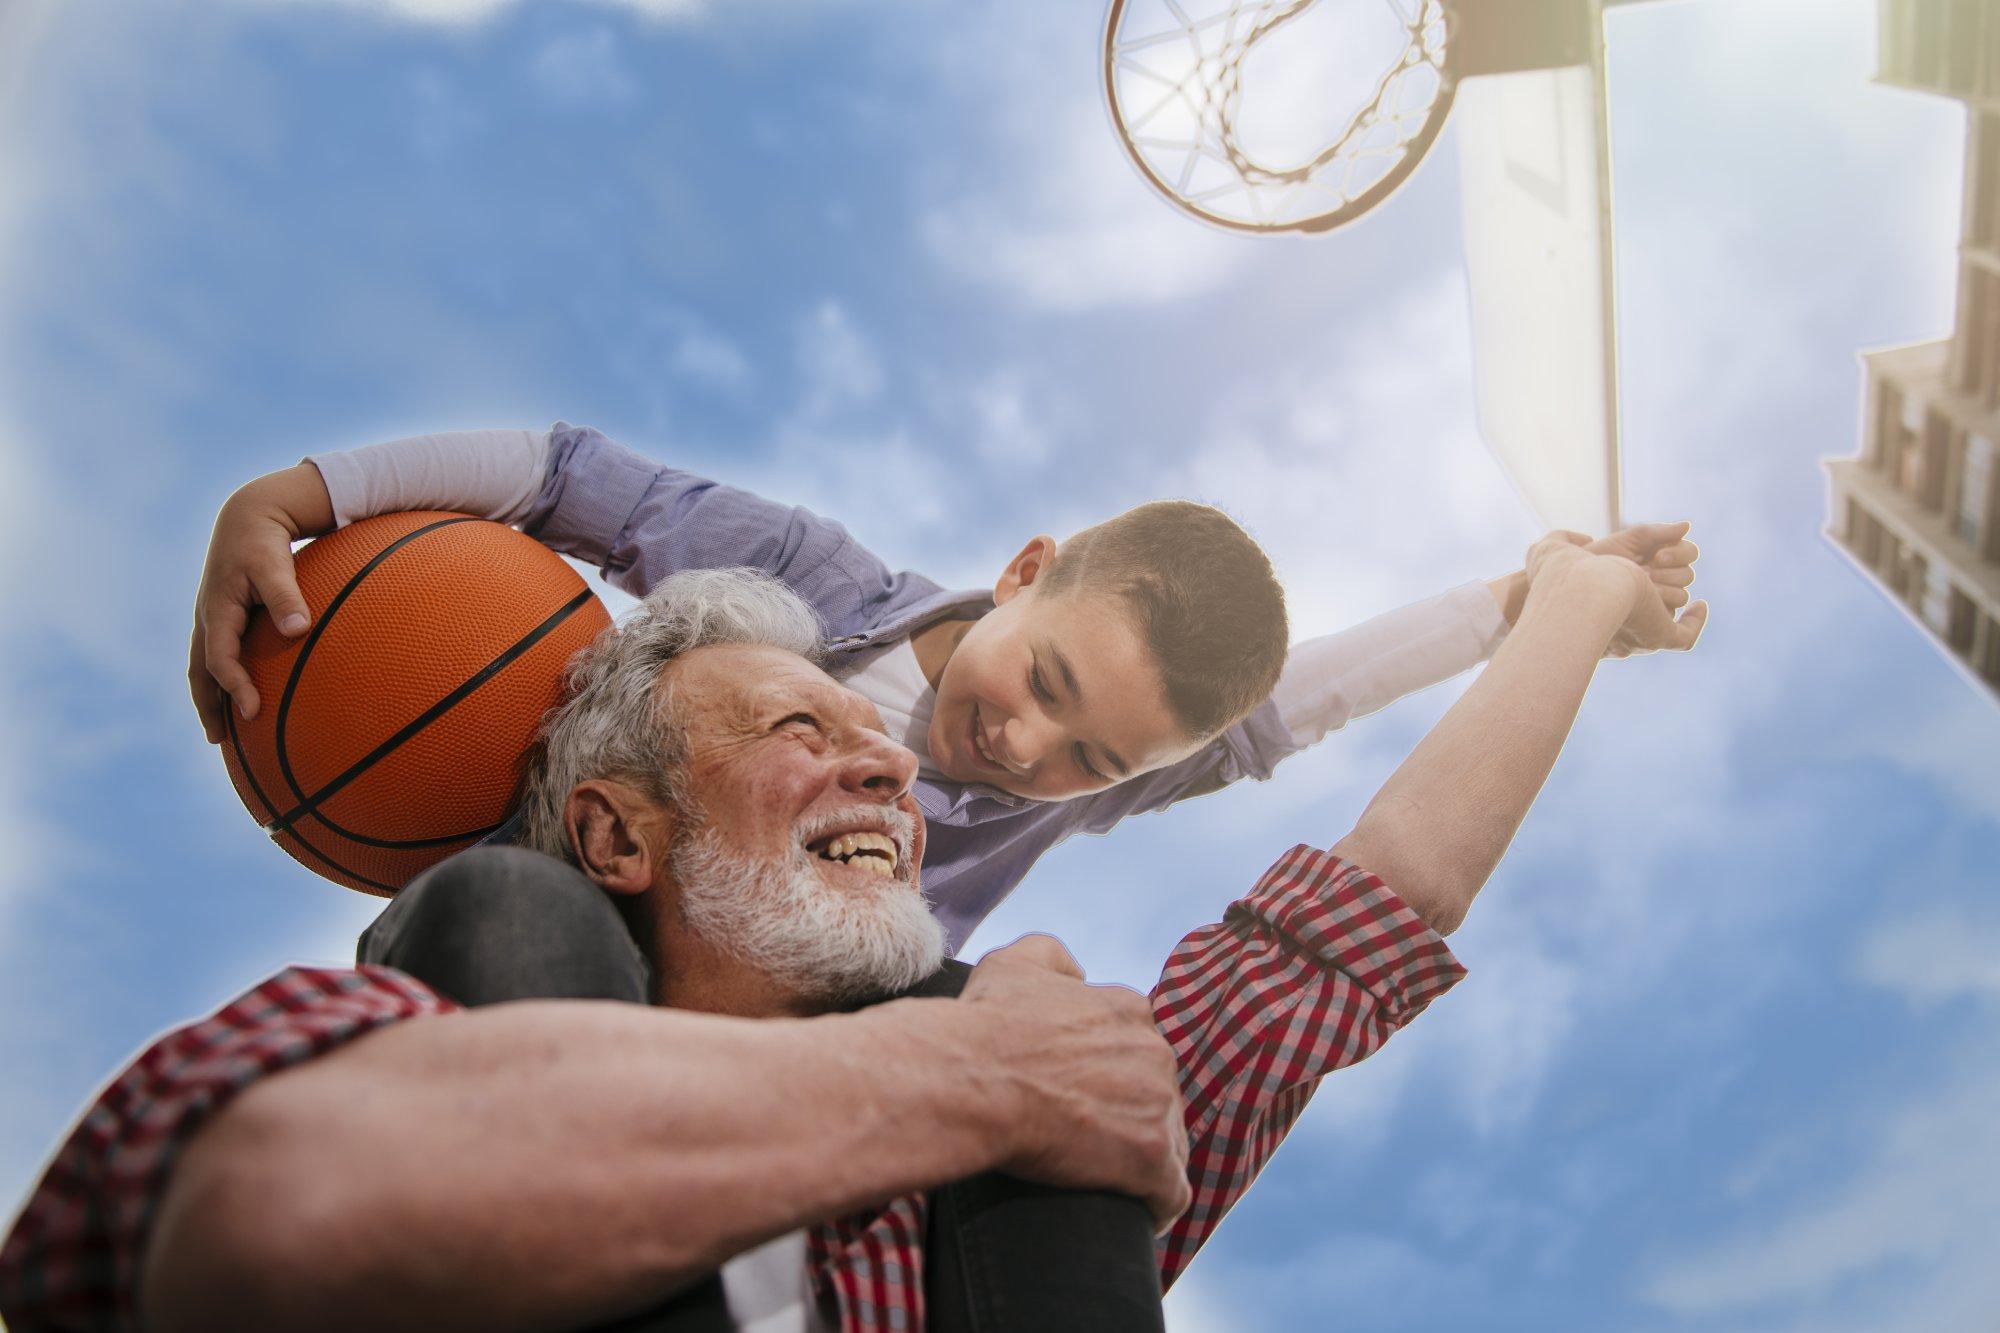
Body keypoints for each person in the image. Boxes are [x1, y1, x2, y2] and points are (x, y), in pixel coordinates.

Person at [6, 535, 1706, 1332]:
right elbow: (270, 1216)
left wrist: (1561, 603)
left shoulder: (1058, 1113)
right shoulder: (406, 1025)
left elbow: (1363, 915)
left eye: (877, 737)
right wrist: (961, 1074)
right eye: (796, 730)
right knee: (495, 927)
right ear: (620, 830)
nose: (890, 759)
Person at [188, 424, 1702, 946]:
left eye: (1090, 758)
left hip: (770, 1063)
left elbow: (1295, 704)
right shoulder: (800, 587)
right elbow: (571, 477)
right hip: (539, 943)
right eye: (1043, 679)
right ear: (1029, 565)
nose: (1023, 744)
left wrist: (1519, 609)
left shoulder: (1050, 801)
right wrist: (304, 489)